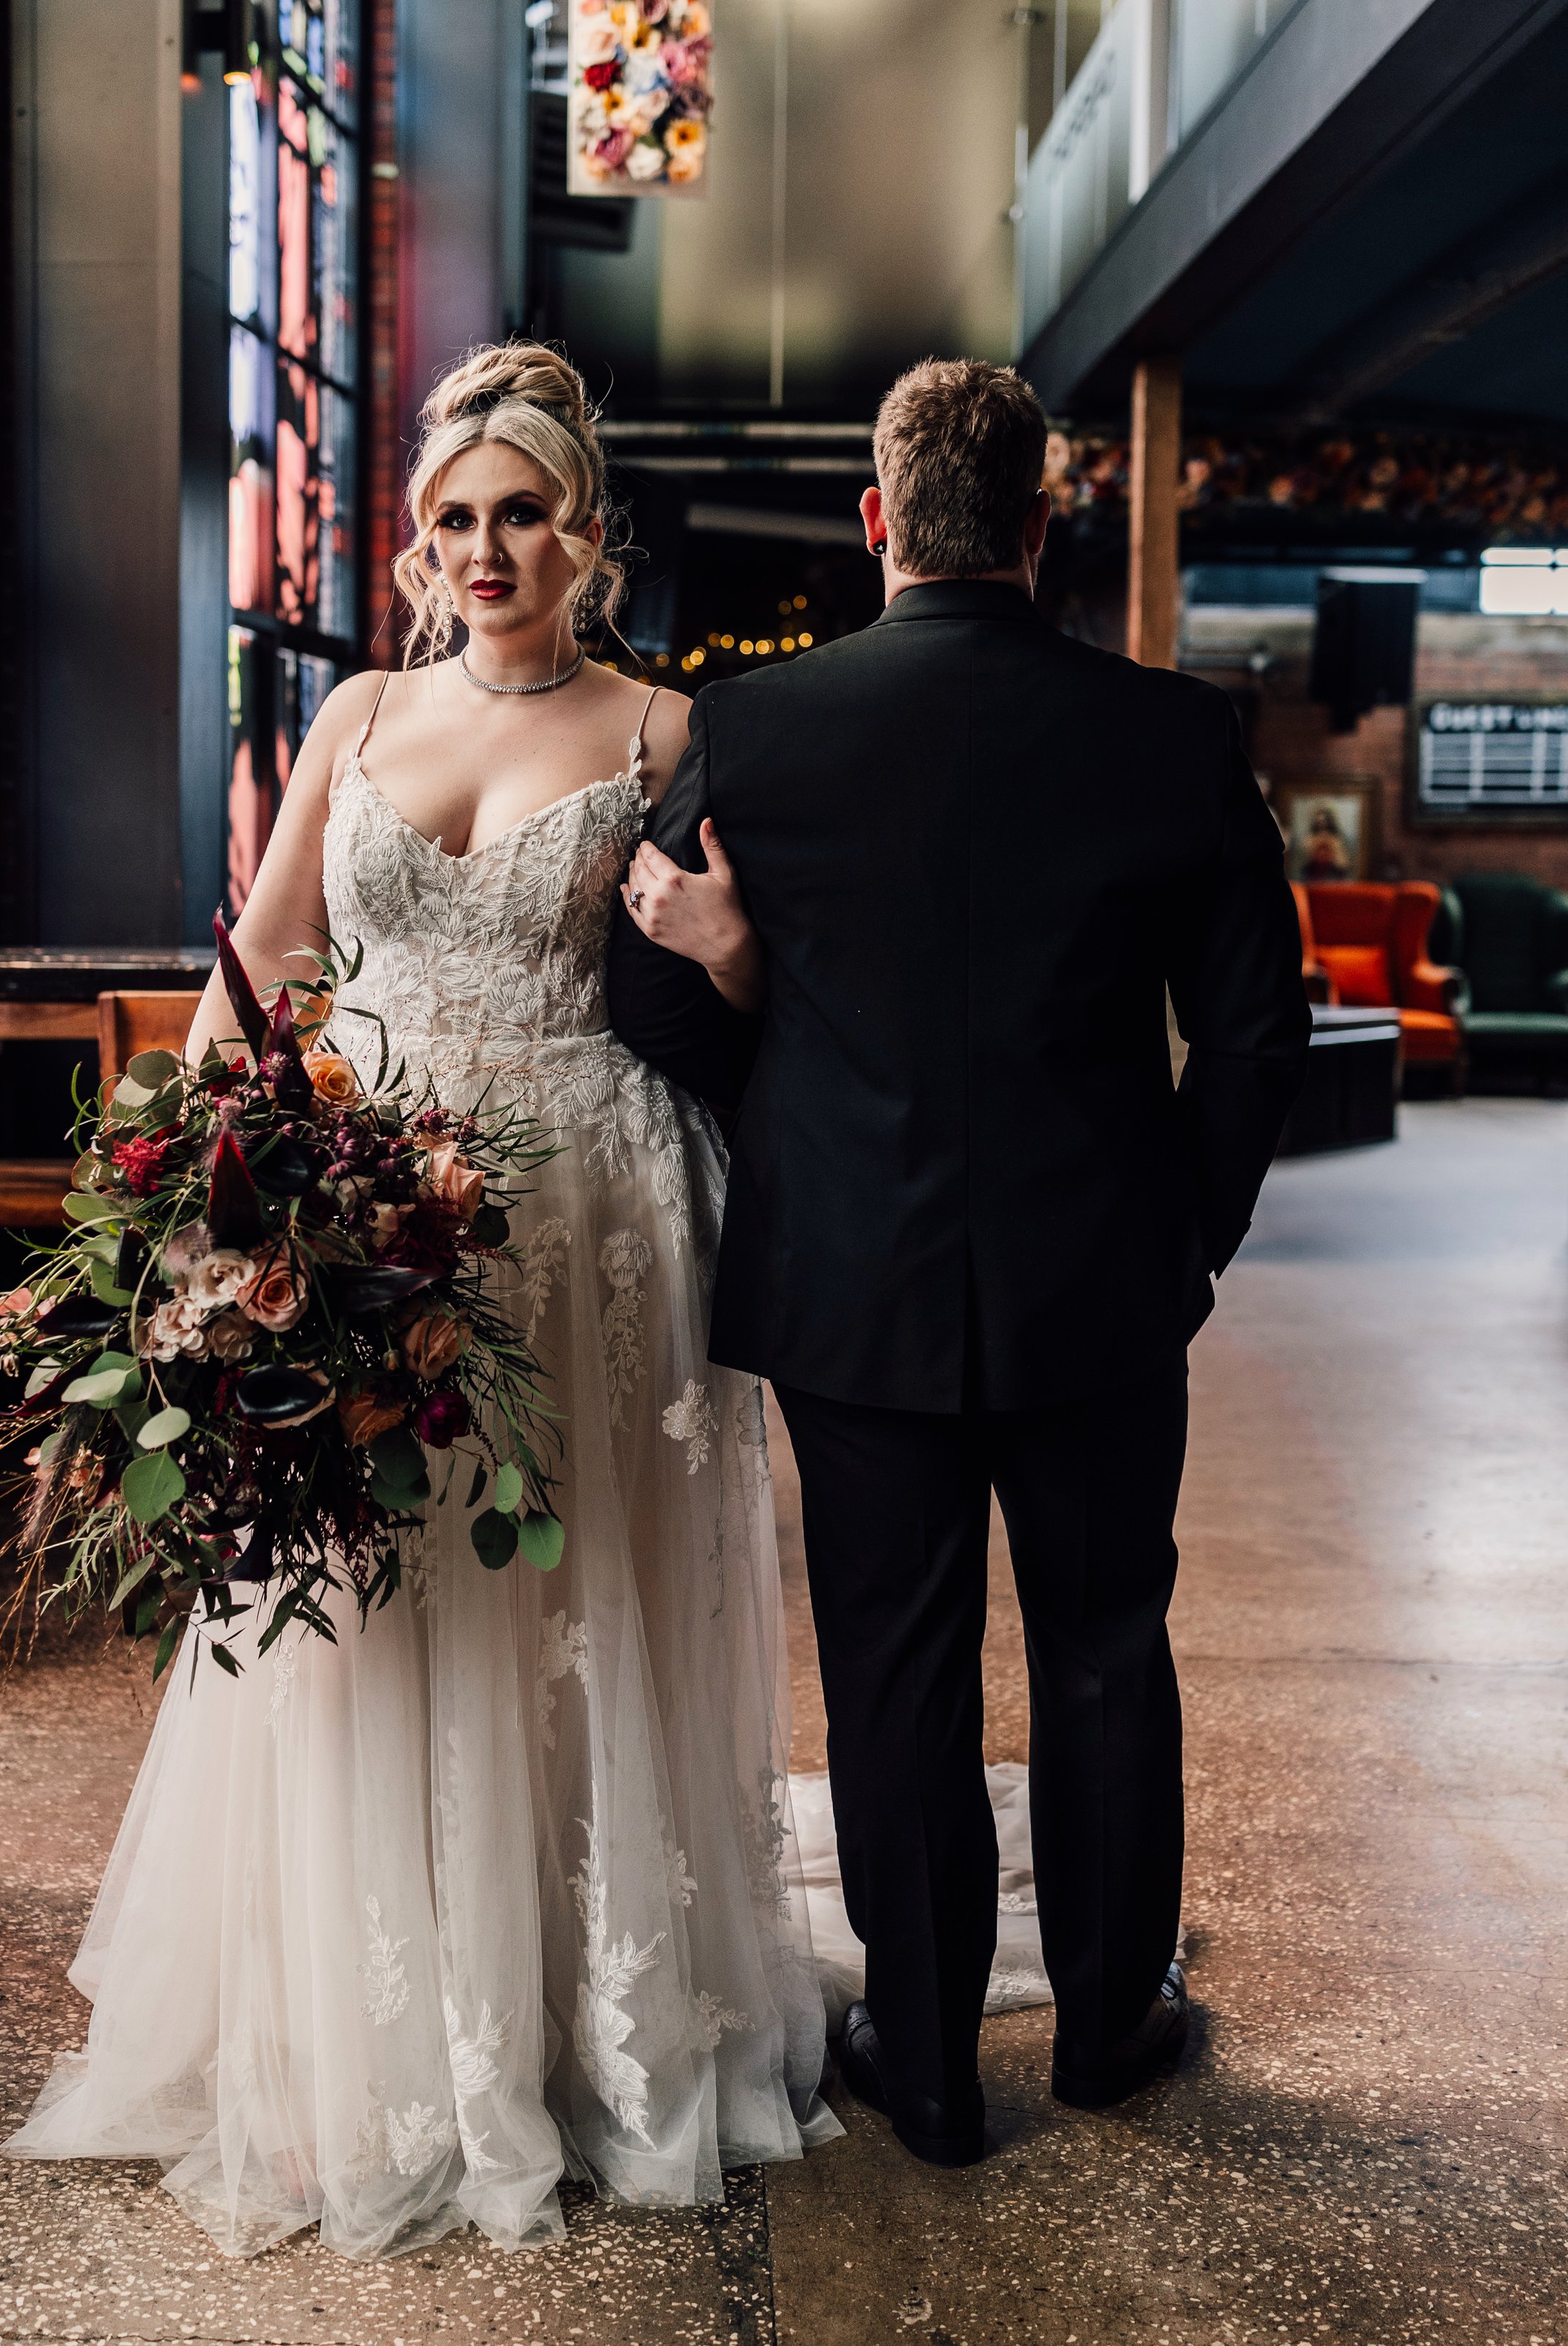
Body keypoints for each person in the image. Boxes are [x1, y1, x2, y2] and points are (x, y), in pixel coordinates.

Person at [4, 342, 834, 2257]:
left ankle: (585, 2021)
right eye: (453, 516)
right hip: (362, 1196)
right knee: (367, 1598)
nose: (485, 543)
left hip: (587, 1207)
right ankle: (366, 2031)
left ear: (588, 537)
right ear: (415, 543)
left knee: (571, 1591)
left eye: (521, 511)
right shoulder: (359, 709)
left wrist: (727, 953)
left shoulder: (656, 730)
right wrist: (192, 1183)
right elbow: (265, 954)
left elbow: (738, 995)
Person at [608, 357, 1311, 2166]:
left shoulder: (750, 739)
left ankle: (920, 2062)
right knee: (1100, 1644)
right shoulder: (1166, 734)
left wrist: (796, 1138)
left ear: (874, 523)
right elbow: (1251, 1036)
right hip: (1099, 1282)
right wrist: (1190, 1235)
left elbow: (639, 994)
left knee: (894, 1668)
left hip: (850, 1282)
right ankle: (1100, 2027)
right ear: (1036, 524)